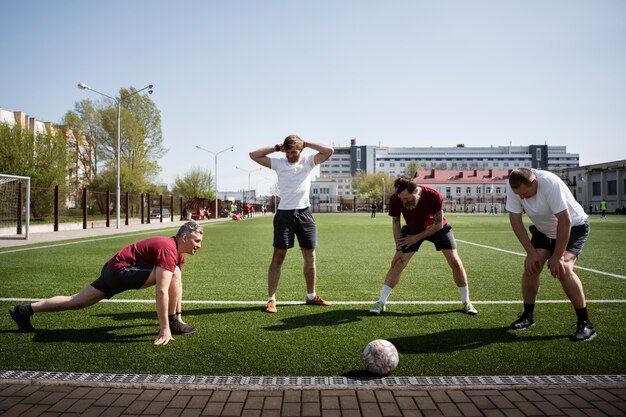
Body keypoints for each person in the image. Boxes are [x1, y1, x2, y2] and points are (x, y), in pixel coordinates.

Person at [8, 221, 204, 345]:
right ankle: (172, 323)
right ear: (184, 238)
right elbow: (162, 291)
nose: (199, 246)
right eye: (196, 241)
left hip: (113, 271)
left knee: (75, 301)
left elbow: (174, 288)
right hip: (120, 272)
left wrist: (178, 316)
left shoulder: (177, 253)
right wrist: (165, 328)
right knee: (173, 273)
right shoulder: (168, 249)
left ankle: (23, 311)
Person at [505, 168, 595, 342]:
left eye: (526, 193)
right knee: (531, 267)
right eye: (519, 195)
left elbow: (565, 220)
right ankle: (528, 316)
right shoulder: (513, 186)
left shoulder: (549, 183)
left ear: (535, 183)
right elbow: (515, 221)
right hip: (544, 230)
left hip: (573, 227)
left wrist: (558, 256)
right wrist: (530, 253)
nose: (522, 198)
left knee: (564, 270)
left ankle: (586, 324)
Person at [369, 176, 479, 316]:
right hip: (412, 229)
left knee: (456, 262)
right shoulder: (396, 198)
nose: (404, 201)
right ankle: (381, 302)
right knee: (398, 262)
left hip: (436, 228)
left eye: (407, 198)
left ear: (416, 191)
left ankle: (466, 301)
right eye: (401, 198)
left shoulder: (434, 196)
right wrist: (398, 249)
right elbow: (396, 223)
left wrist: (416, 238)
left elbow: (438, 224)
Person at [249, 135, 334, 313]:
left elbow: (329, 151)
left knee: (309, 256)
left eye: (293, 152)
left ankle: (311, 296)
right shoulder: (279, 163)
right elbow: (253, 155)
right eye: (287, 152)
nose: (289, 156)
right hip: (284, 214)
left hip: (305, 214)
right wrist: (276, 147)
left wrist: (308, 144)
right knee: (278, 256)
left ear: (300, 150)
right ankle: (271, 299)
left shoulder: (309, 161)